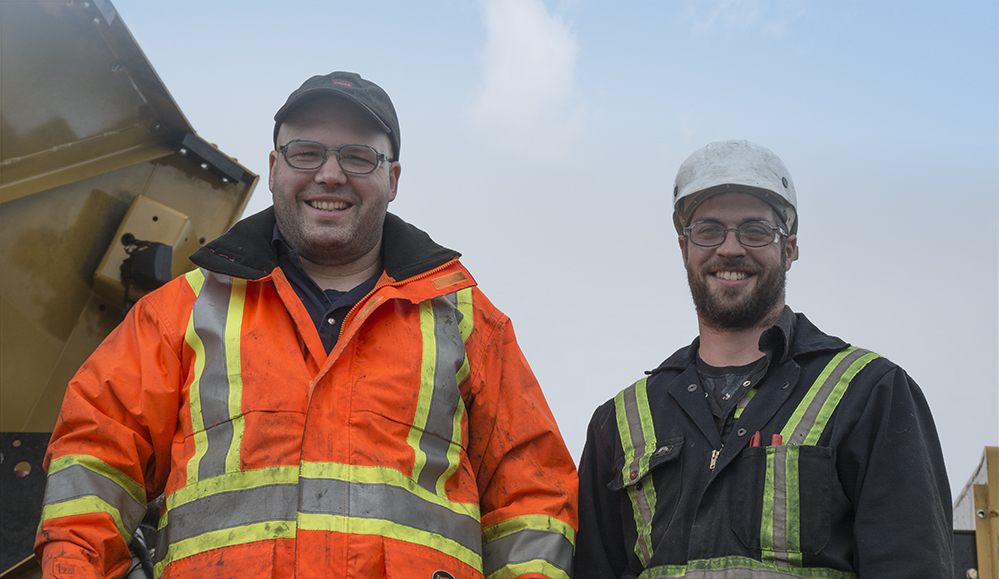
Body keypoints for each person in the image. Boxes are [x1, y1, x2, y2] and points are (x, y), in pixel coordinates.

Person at [35, 71, 577, 579]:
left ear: (393, 179)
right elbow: (94, 460)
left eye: (358, 157)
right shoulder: (178, 313)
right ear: (274, 168)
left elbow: (534, 499)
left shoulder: (468, 323)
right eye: (307, 152)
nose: (330, 174)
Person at [574, 140, 952, 578]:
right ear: (684, 248)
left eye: (754, 231)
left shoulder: (872, 393)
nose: (730, 249)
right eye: (709, 230)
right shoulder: (618, 422)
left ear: (789, 248)